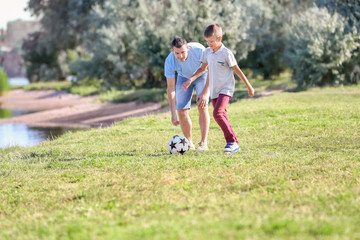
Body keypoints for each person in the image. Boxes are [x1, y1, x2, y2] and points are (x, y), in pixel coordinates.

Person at [183, 24, 255, 154]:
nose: (209, 44)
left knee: (218, 113)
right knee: (221, 115)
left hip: (226, 89)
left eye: (211, 41)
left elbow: (238, 71)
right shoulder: (207, 52)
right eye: (207, 41)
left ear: (219, 38)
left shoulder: (226, 53)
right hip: (214, 91)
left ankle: (232, 142)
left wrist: (249, 86)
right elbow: (202, 69)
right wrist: (191, 79)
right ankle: (233, 143)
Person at [164, 37, 210, 151]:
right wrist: (173, 113)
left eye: (183, 52)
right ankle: (189, 143)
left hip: (202, 75)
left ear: (188, 48)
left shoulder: (199, 50)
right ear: (172, 51)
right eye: (177, 53)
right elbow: (170, 89)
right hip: (183, 77)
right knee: (181, 110)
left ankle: (203, 143)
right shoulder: (170, 61)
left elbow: (208, 69)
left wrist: (204, 92)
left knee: (202, 105)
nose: (180, 56)